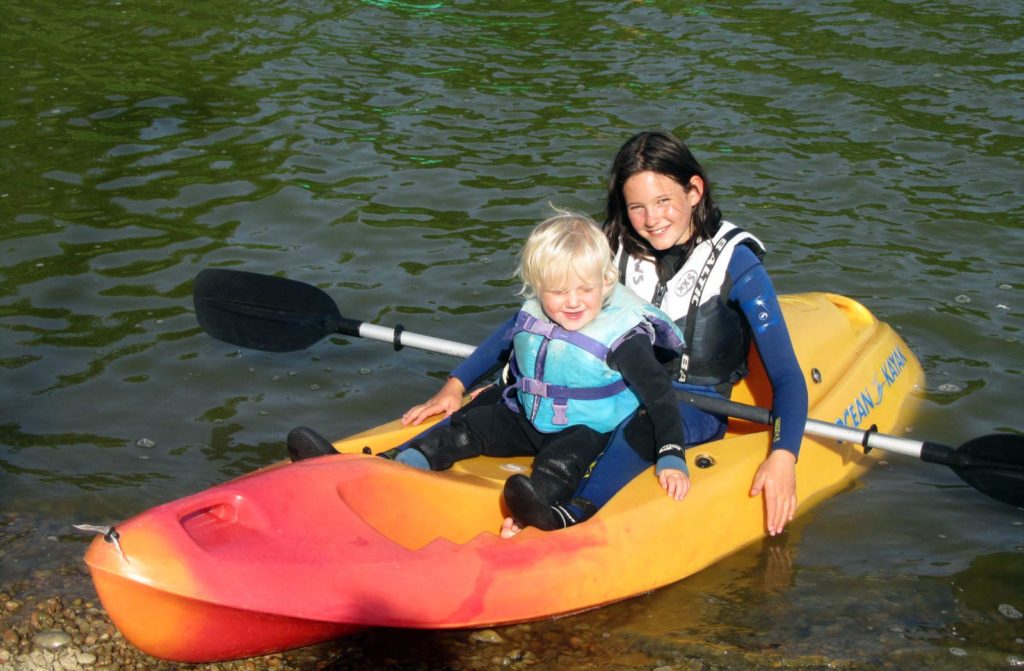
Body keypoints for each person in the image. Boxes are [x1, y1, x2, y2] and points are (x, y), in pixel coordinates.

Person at [404, 131, 807, 538]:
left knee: (643, 422)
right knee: (503, 396)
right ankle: (401, 459)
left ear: (695, 191)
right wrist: (457, 383)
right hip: (612, 389)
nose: (652, 219)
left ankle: (574, 512)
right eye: (637, 207)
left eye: (664, 201)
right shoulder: (611, 247)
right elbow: (525, 323)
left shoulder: (736, 263)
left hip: (691, 403)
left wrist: (784, 456)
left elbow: (787, 376)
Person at [391, 210, 692, 518]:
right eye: (559, 291)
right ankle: (406, 460)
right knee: (470, 427)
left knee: (561, 463)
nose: (573, 301)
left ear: (605, 282)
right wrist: (455, 386)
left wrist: (671, 453)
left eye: (585, 289)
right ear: (538, 285)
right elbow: (496, 345)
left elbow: (660, 394)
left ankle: (539, 507)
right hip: (527, 415)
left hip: (586, 429)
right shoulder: (534, 312)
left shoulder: (624, 338)